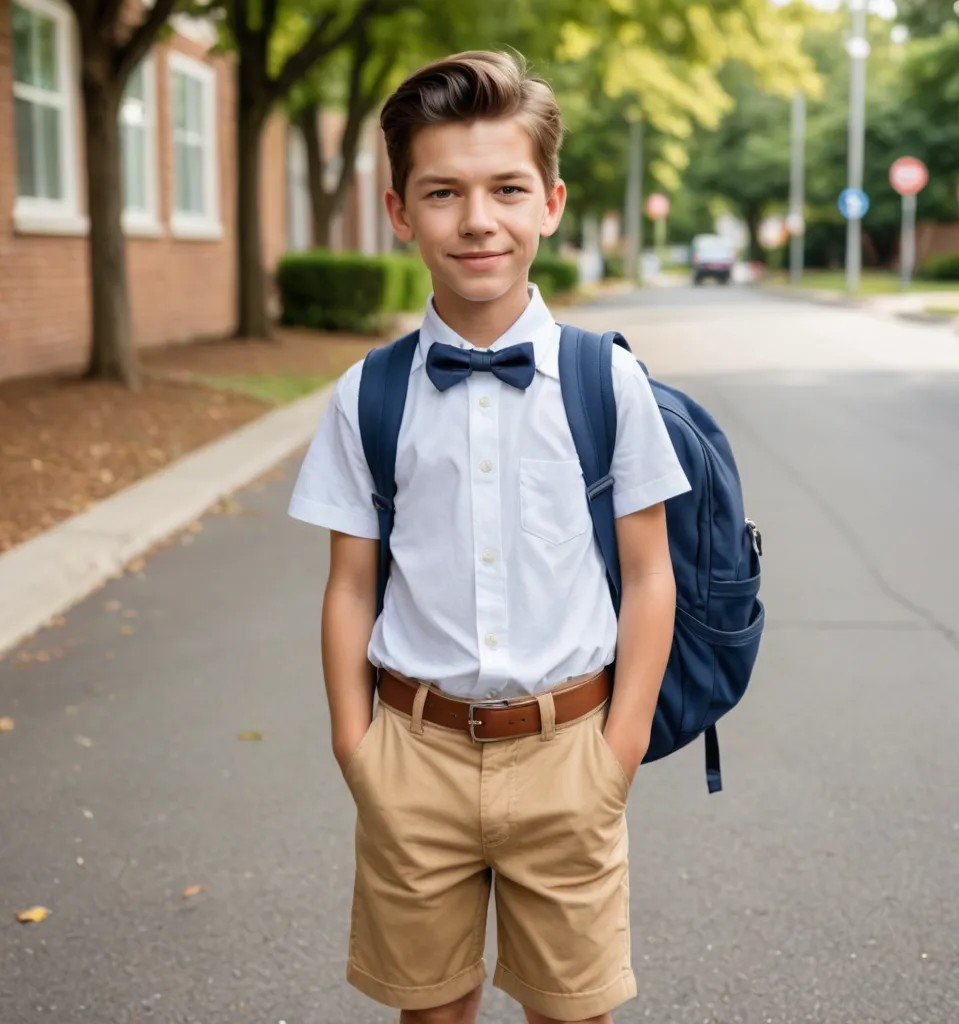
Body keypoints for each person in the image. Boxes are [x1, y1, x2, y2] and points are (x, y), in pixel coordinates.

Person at [288, 50, 691, 1024]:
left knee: (572, 1009)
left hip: (569, 750)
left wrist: (619, 749)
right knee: (430, 1008)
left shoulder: (607, 382)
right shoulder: (368, 394)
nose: (477, 219)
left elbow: (649, 574)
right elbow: (351, 584)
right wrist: (356, 746)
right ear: (400, 212)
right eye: (443, 192)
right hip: (412, 754)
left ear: (549, 203)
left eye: (507, 189)